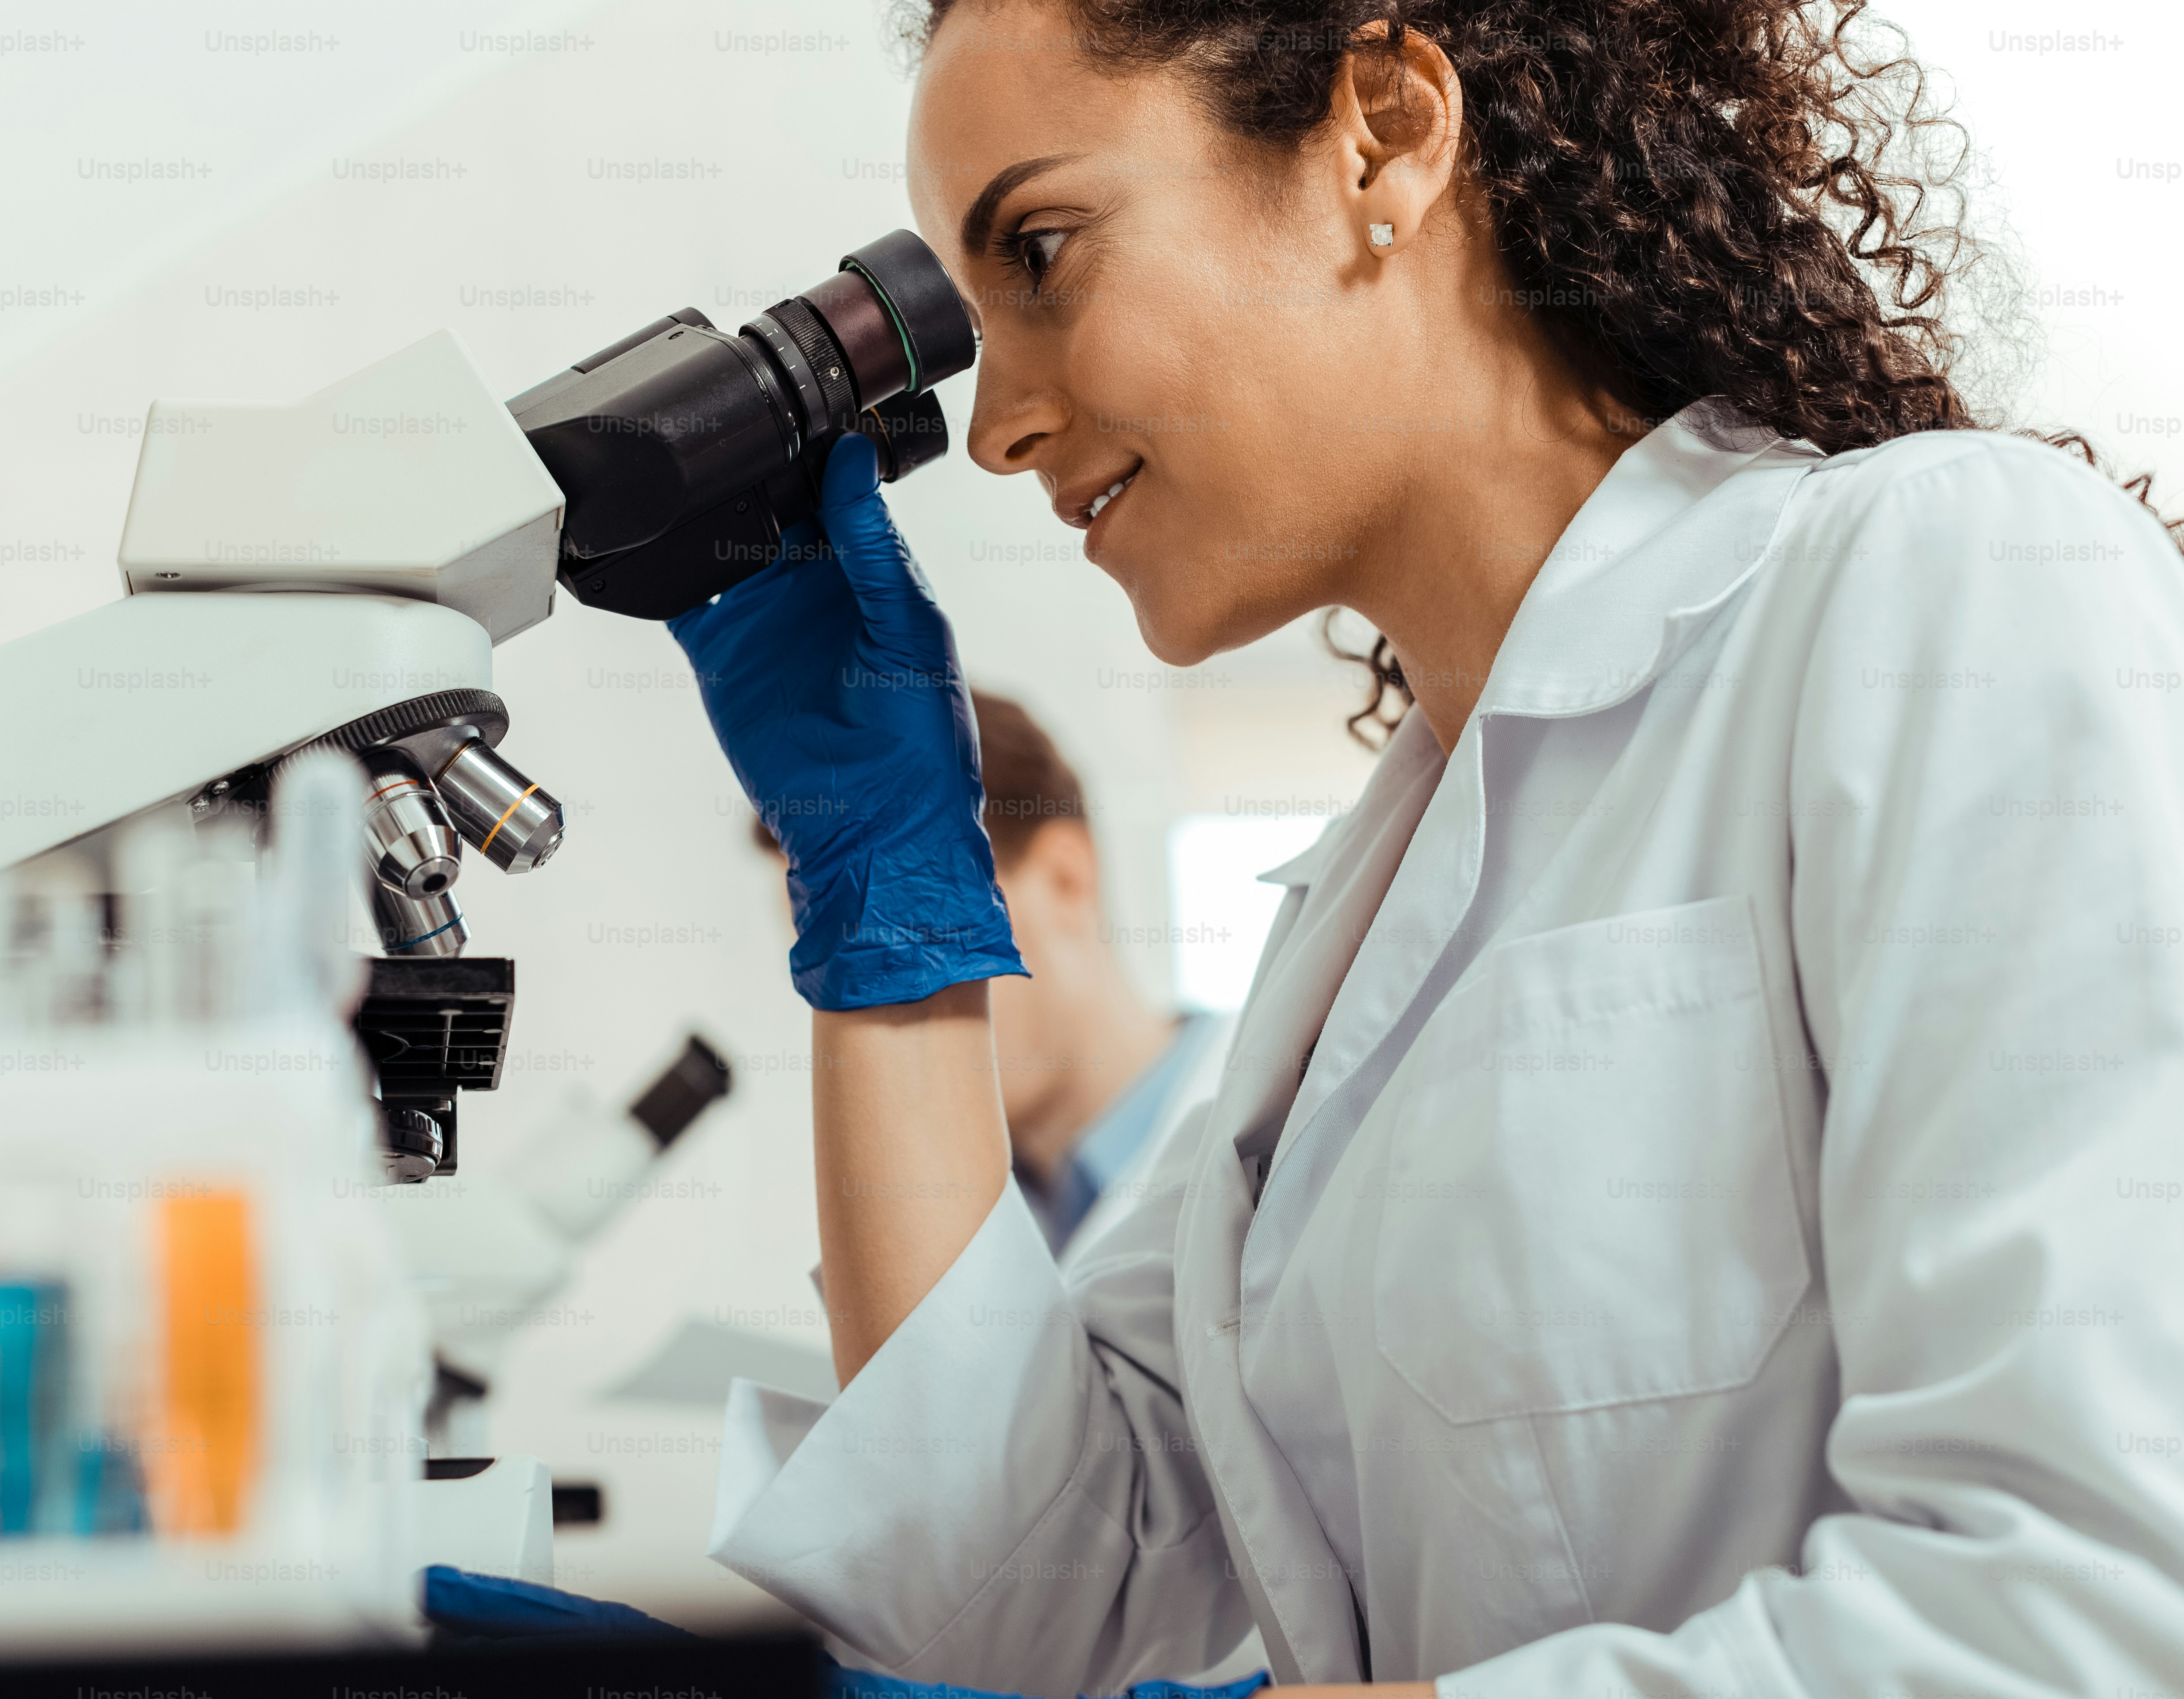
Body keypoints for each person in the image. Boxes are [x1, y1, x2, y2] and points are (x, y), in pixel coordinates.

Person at [449, 2, 2184, 1695]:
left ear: (1386, 131)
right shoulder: (1364, 908)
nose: (994, 430)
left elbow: (2097, 1605)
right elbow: (1022, 1586)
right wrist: (882, 898)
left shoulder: (1938, 578)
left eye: (1043, 255)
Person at [751, 689, 1233, 1259]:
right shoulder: (971, 1231)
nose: (871, 1014)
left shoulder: (1277, 1136)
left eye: (898, 941)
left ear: (1063, 880)